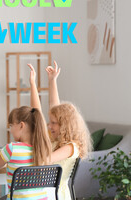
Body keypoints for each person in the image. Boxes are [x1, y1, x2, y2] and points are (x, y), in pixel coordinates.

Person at [29, 62, 92, 199]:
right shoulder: (56, 139)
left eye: (53, 123)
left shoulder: (71, 147)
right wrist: (51, 81)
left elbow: (44, 160)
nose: (49, 125)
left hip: (55, 195)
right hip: (43, 191)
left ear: (65, 125)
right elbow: (49, 109)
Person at [0, 100, 52, 199]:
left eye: (11, 125)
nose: (10, 130)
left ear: (21, 125)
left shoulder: (12, 148)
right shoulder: (43, 150)